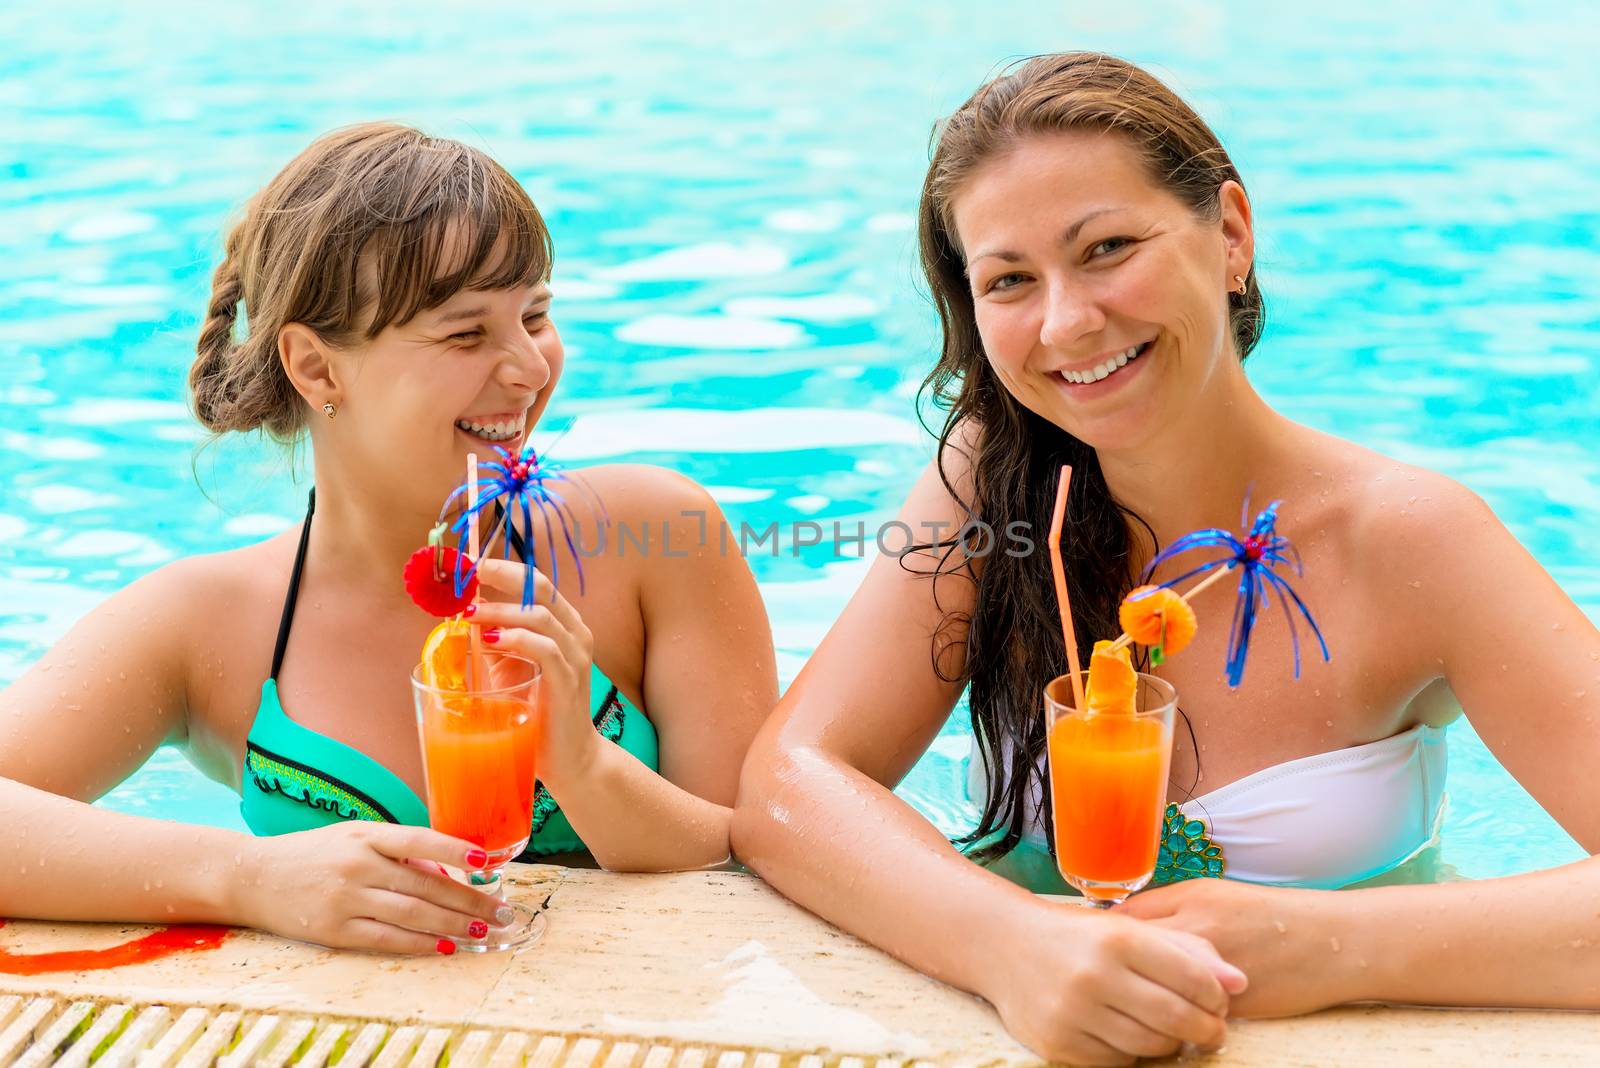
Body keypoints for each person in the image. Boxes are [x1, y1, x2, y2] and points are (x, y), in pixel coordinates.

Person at [732, 52, 1600, 1064]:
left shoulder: (1410, 541)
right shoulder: (999, 488)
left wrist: (1328, 948)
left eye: (1106, 248)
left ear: (1229, 233)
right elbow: (790, 780)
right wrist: (1009, 945)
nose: (1066, 323)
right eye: (1010, 280)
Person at [0, 123, 777, 955]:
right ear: (317, 368)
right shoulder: (205, 624)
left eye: (536, 315)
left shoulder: (654, 539)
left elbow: (768, 857)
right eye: (465, 334)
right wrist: (248, 877)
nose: (529, 367)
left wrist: (582, 764)